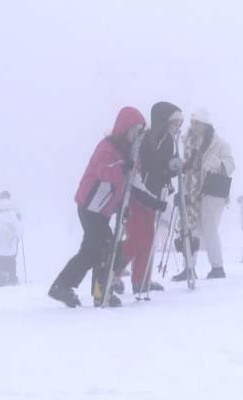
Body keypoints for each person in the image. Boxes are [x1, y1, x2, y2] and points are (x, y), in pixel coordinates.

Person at [48, 106, 146, 308]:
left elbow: (124, 186)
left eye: (139, 131)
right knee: (106, 247)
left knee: (92, 250)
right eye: (135, 129)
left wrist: (122, 206)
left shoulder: (129, 153)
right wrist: (123, 166)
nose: (137, 135)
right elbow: (104, 172)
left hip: (102, 209)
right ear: (125, 128)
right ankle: (100, 293)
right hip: (90, 205)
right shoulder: (108, 147)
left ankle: (65, 287)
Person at [117, 101, 184, 295]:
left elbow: (162, 169)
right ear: (163, 121)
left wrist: (172, 167)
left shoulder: (169, 141)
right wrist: (166, 167)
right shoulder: (145, 139)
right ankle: (113, 273)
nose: (177, 127)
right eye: (174, 123)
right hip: (138, 194)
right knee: (137, 237)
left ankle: (141, 280)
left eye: (179, 123)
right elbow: (144, 165)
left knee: (147, 238)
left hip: (153, 195)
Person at [172, 108, 235, 281]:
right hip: (191, 191)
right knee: (190, 229)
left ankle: (217, 267)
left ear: (206, 125)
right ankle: (189, 268)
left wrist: (219, 164)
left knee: (209, 229)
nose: (193, 126)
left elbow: (230, 165)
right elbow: (187, 167)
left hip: (212, 192)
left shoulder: (220, 144)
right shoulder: (188, 143)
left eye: (197, 123)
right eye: (192, 122)